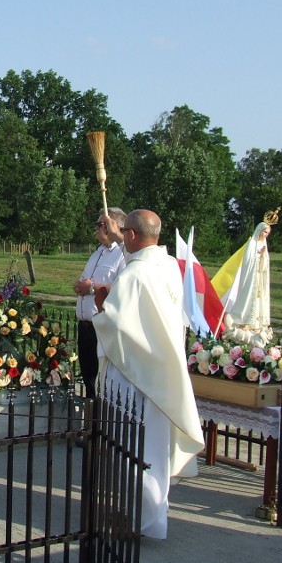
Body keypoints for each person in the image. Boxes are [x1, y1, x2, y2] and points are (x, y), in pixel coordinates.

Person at [92, 209, 203, 539]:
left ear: (131, 236)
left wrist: (102, 301)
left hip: (134, 377)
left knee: (133, 451)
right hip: (161, 371)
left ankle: (142, 522)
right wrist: (117, 235)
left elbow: (116, 324)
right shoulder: (168, 266)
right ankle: (150, 514)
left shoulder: (134, 275)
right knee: (154, 447)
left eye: (124, 232)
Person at [73, 207, 127, 396]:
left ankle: (100, 422)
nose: (95, 228)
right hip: (85, 326)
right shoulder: (98, 253)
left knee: (102, 382)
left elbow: (124, 290)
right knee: (88, 379)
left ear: (115, 227)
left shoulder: (122, 256)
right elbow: (85, 281)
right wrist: (80, 286)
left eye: (100, 224)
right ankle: (90, 422)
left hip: (102, 327)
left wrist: (93, 288)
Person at [226, 221, 271, 334]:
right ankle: (245, 321)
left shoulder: (264, 244)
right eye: (265, 232)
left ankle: (257, 323)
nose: (266, 235)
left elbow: (265, 263)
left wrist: (262, 256)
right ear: (259, 231)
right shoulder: (252, 243)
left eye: (267, 233)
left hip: (259, 276)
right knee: (249, 297)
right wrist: (258, 255)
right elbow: (248, 261)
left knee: (259, 299)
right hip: (251, 277)